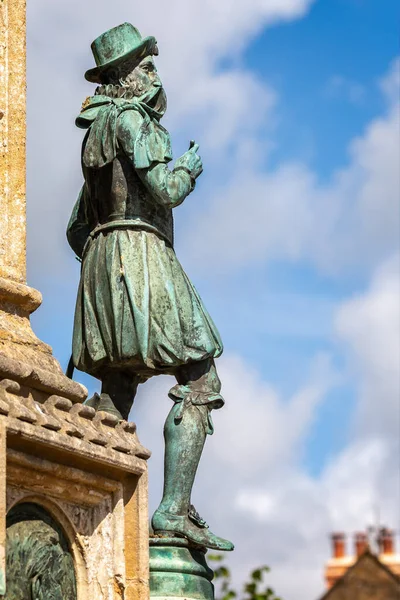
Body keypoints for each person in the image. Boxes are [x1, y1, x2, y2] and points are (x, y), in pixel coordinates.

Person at [67, 22, 233, 552]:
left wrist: (107, 273)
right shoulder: (136, 121)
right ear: (127, 77)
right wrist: (188, 169)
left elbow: (75, 227)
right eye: (147, 66)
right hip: (141, 253)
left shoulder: (95, 134)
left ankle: (85, 511)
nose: (155, 76)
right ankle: (173, 510)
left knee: (118, 388)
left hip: (101, 260)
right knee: (201, 376)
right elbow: (164, 188)